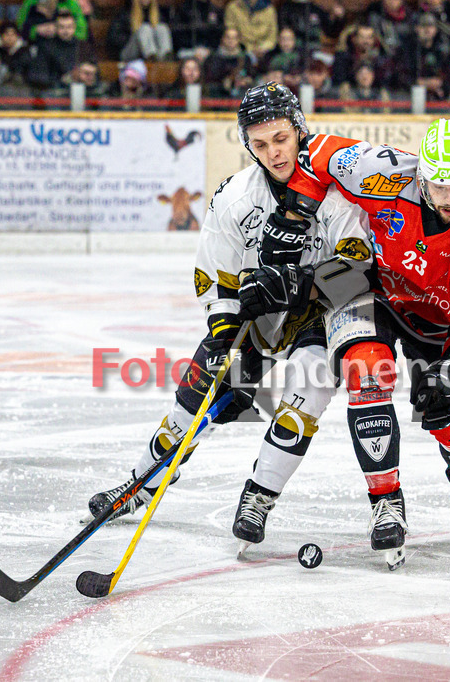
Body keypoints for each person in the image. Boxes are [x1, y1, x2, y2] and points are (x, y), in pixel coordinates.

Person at [86, 83, 374, 555]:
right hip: (257, 316)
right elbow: (211, 270)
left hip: (319, 316)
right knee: (194, 400)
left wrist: (303, 286)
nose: (273, 152)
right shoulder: (236, 196)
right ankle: (139, 485)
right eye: (259, 144)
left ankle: (258, 497)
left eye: (280, 138)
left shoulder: (338, 189)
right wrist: (223, 327)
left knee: (306, 395)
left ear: (300, 130)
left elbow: (361, 266)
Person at [287, 119, 450, 568]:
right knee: (367, 373)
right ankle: (385, 502)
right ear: (421, 175)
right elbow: (314, 150)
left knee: (449, 412)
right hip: (371, 288)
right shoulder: (381, 172)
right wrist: (296, 212)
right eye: (439, 186)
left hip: (439, 314)